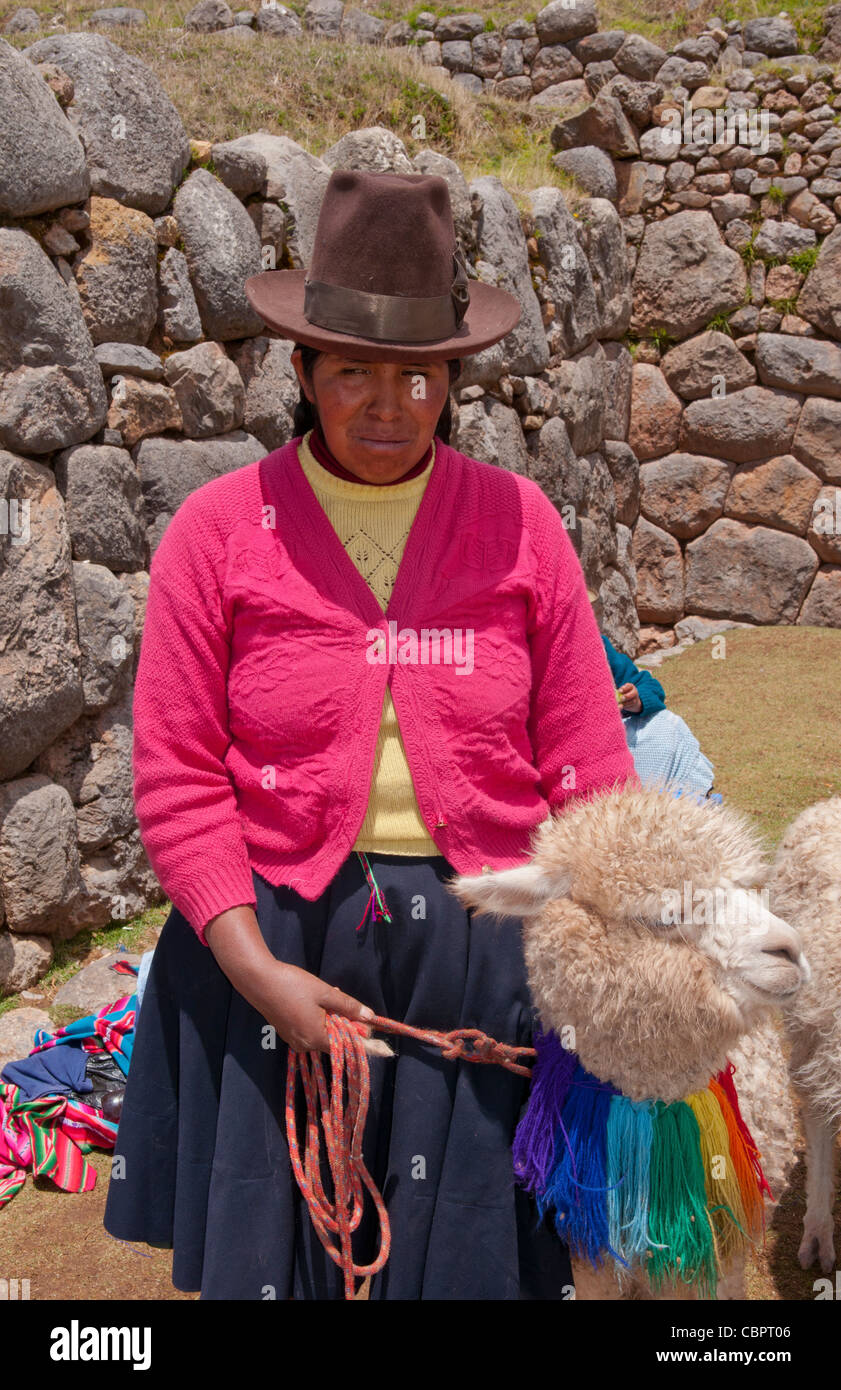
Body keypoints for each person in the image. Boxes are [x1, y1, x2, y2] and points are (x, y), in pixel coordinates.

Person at [103, 169, 638, 1300]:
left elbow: (589, 756)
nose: (387, 404)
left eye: (418, 375)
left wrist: (611, 937)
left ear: (453, 378)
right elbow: (179, 774)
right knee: (289, 1262)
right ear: (302, 372)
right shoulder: (218, 535)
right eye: (353, 371)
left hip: (481, 951)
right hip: (277, 943)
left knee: (471, 1262)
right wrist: (255, 973)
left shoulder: (518, 527)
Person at [587, 588, 715, 798]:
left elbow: (650, 687)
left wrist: (635, 699)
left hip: (613, 734)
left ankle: (691, 801)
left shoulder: (602, 650)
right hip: (576, 745)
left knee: (666, 726)